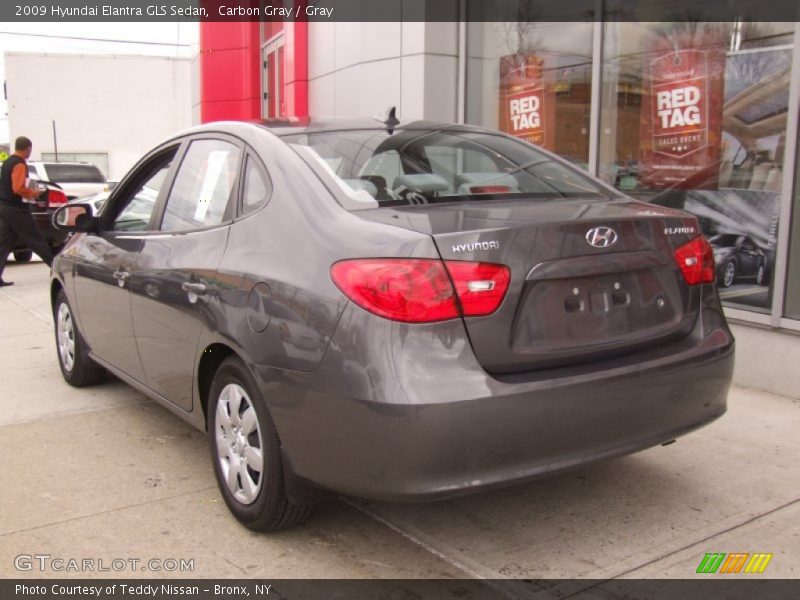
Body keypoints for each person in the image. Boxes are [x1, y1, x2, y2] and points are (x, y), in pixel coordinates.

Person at [0, 136, 54, 287]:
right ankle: (57, 269)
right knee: (37, 240)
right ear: (28, 148)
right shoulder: (19, 164)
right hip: (17, 209)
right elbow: (18, 188)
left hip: (4, 208)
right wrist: (34, 193)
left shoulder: (6, 162)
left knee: (3, 244)